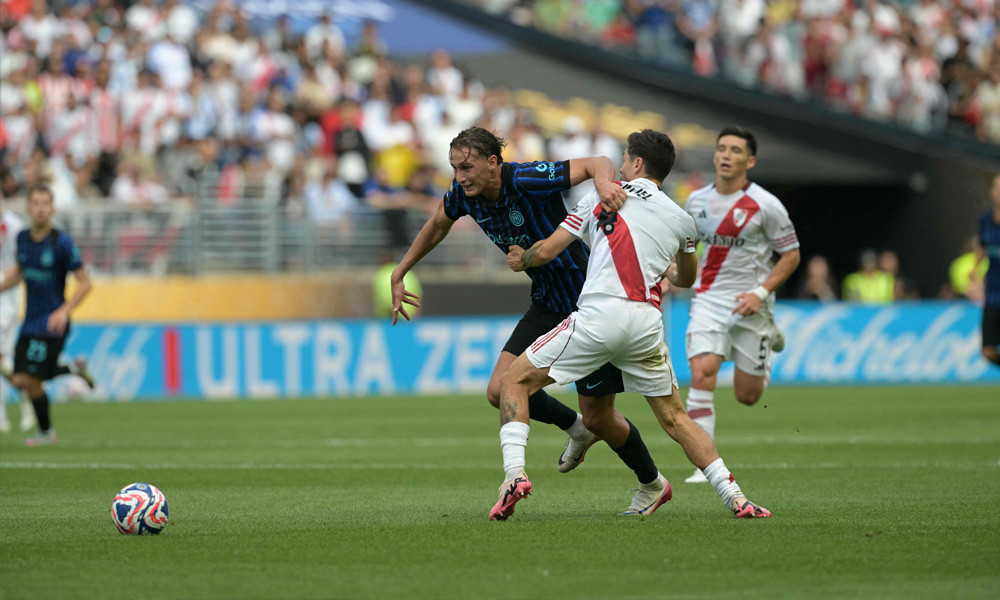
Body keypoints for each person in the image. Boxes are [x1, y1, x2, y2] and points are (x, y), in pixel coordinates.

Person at [499, 129, 772, 520]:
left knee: (513, 380)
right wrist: (661, 260)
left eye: (625, 160)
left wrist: (520, 259)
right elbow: (685, 279)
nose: (621, 167)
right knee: (676, 418)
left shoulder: (602, 197)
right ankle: (736, 498)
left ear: (637, 163)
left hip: (600, 315)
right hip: (646, 324)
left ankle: (514, 475)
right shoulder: (682, 220)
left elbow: (548, 250)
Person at [391, 127, 667, 510]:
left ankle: (653, 483)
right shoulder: (462, 196)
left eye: (467, 167)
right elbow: (438, 222)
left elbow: (596, 163)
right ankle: (570, 434)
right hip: (545, 303)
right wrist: (400, 271)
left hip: (588, 305)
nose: (460, 177)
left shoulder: (526, 177)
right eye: (454, 168)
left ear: (492, 162)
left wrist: (605, 186)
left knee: (600, 416)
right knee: (498, 390)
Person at [682, 126, 800, 484]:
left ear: (749, 160)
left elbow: (791, 255)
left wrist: (760, 294)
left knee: (748, 396)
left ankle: (768, 342)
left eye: (735, 150)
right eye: (721, 148)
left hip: (752, 303)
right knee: (702, 373)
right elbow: (688, 251)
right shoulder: (696, 201)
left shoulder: (766, 205)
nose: (726, 155)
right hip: (708, 300)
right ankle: (704, 464)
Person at [0, 185, 95, 446]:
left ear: (52, 208)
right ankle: (71, 368)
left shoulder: (62, 242)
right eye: (36, 203)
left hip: (53, 323)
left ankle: (45, 432)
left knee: (32, 379)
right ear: (28, 207)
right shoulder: (22, 239)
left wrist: (64, 310)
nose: (40, 209)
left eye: (45, 203)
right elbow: (20, 272)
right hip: (29, 322)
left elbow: (85, 283)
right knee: (20, 380)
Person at [0, 197, 36, 434]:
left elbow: (22, 266)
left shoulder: (14, 226)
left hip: (6, 299)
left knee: (2, 357)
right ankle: (23, 396)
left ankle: (26, 396)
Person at [974, 174, 1000, 366]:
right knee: (988, 352)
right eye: (996, 188)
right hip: (993, 292)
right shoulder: (984, 219)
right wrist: (975, 268)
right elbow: (981, 245)